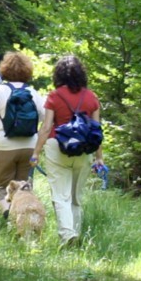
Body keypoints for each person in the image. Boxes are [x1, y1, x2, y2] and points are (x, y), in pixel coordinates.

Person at [33, 55, 104, 247]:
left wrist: (36, 153)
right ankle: (76, 233)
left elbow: (47, 127)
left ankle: (67, 235)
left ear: (58, 74)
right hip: (83, 150)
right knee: (75, 197)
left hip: (57, 146)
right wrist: (99, 158)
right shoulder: (92, 97)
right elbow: (96, 130)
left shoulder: (54, 96)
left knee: (60, 195)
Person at [0, 51, 47, 213]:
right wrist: (39, 146)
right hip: (29, 146)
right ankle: (23, 219)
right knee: (24, 187)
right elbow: (46, 119)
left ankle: (6, 211)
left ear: (5, 69)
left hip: (3, 145)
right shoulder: (33, 93)